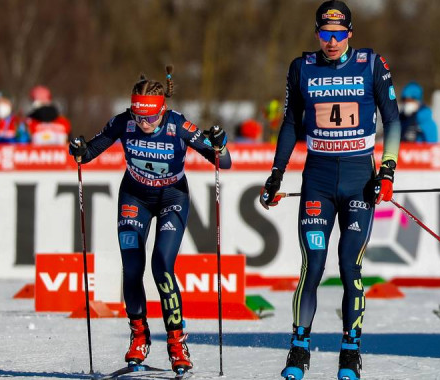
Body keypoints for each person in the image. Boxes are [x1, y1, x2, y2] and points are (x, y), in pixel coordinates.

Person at [258, 2, 400, 379]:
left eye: (339, 34)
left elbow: (393, 120)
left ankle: (350, 349)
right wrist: (276, 173)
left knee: (350, 265)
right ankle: (299, 348)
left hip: (359, 181)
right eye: (325, 33)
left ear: (350, 33)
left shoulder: (371, 64)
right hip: (317, 182)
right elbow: (290, 122)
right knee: (313, 266)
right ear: (317, 33)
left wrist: (387, 169)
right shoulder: (301, 67)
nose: (332, 41)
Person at [68, 66, 231, 376]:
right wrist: (77, 150)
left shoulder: (178, 125)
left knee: (162, 266)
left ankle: (176, 341)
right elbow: (88, 153)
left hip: (172, 198)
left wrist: (219, 143)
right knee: (131, 267)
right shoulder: (123, 122)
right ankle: (139, 336)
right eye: (138, 117)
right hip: (135, 197)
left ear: (162, 110)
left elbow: (223, 161)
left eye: (150, 119)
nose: (143, 124)